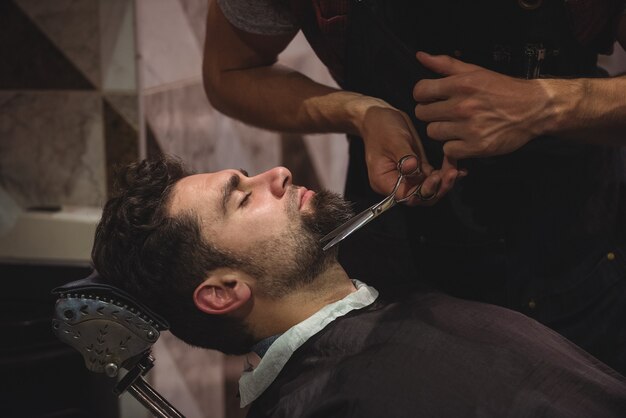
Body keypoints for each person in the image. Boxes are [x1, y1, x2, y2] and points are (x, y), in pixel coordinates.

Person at [202, 0, 626, 374]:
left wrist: (547, 104)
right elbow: (231, 70)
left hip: (581, 240)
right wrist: (360, 112)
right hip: (403, 251)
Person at [91, 157, 626, 417]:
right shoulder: (325, 405)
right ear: (224, 291)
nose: (275, 173)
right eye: (242, 198)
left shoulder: (394, 308)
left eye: (248, 176)